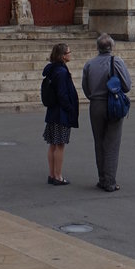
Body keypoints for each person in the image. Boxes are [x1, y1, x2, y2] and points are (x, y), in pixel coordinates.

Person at [81, 34, 131, 191]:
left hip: (95, 104)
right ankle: (109, 181)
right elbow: (127, 85)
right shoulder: (117, 61)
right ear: (112, 47)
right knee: (112, 143)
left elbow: (86, 87)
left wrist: (94, 97)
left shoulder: (89, 64)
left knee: (99, 142)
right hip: (113, 104)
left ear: (98, 47)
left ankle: (102, 177)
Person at [42, 43, 79, 185]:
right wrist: (70, 108)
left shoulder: (53, 69)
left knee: (52, 144)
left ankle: (52, 174)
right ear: (63, 56)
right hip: (60, 113)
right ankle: (58, 176)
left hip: (52, 112)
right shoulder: (62, 72)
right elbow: (62, 94)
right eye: (69, 52)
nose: (70, 54)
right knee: (60, 145)